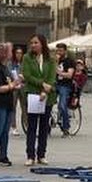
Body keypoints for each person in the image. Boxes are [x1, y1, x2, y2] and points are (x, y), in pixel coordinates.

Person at [20, 34, 56, 166]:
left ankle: (41, 154)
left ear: (42, 44)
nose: (33, 45)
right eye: (32, 43)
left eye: (36, 42)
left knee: (44, 127)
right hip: (33, 95)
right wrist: (42, 84)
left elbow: (52, 77)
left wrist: (45, 90)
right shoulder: (27, 58)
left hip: (47, 96)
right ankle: (30, 155)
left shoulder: (51, 59)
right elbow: (27, 75)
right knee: (32, 126)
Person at [55, 42, 76, 135]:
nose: (59, 52)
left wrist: (59, 73)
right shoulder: (56, 61)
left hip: (65, 86)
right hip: (55, 84)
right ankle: (47, 126)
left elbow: (70, 75)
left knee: (62, 106)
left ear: (65, 51)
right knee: (47, 104)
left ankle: (66, 127)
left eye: (61, 50)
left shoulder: (70, 61)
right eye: (58, 50)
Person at [11, 44, 25, 135]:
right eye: (17, 53)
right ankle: (14, 126)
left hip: (23, 86)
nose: (19, 55)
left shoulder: (25, 63)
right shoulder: (11, 63)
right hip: (14, 87)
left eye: (20, 53)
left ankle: (26, 124)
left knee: (25, 107)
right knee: (13, 107)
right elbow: (9, 73)